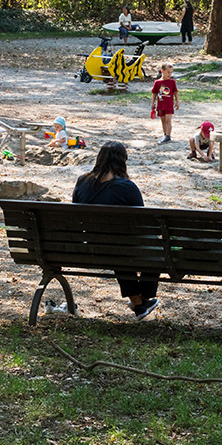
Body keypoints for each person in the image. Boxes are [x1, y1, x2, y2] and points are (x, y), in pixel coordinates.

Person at [71, 142, 158, 321]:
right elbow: (143, 222)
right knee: (154, 249)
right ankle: (143, 298)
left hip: (91, 246)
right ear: (122, 161)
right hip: (121, 248)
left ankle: (138, 303)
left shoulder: (82, 181)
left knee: (117, 248)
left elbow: (75, 215)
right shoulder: (127, 187)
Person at [149, 63, 179, 142]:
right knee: (163, 120)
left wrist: (177, 102)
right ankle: (165, 135)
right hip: (161, 105)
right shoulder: (157, 82)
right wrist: (152, 103)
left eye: (171, 72)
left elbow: (175, 92)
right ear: (162, 71)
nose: (170, 74)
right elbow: (154, 93)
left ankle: (168, 136)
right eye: (168, 72)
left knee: (168, 120)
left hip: (169, 105)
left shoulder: (172, 82)